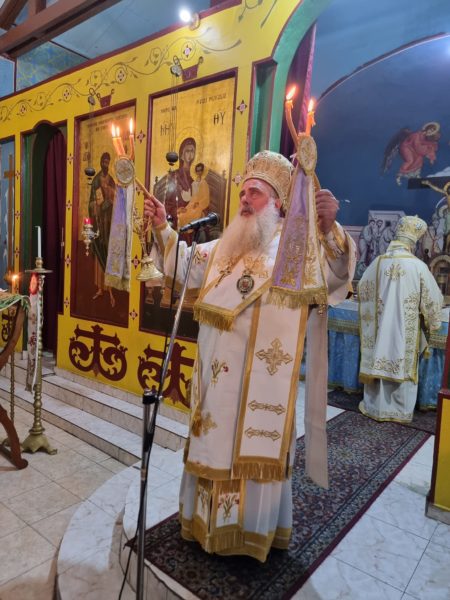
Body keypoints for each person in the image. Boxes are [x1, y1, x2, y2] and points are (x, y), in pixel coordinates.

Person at [144, 150, 355, 562]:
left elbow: (335, 278)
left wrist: (329, 228)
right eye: (243, 192)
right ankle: (203, 526)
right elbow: (184, 264)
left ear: (277, 202)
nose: (244, 199)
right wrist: (162, 227)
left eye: (254, 193)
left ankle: (251, 534)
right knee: (212, 444)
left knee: (249, 454)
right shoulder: (226, 246)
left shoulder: (294, 253)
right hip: (215, 388)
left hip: (258, 390)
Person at [358, 215, 443, 423]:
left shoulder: (378, 262)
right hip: (405, 328)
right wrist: (433, 321)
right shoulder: (418, 267)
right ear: (414, 243)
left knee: (380, 355)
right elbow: (433, 300)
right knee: (401, 360)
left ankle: (375, 406)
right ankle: (399, 411)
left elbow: (362, 289)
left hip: (379, 329)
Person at [88, 152, 116, 307]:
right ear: (100, 162)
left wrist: (111, 199)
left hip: (109, 224)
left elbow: (116, 198)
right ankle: (100, 288)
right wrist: (99, 206)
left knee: (109, 253)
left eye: (107, 161)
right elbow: (92, 203)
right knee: (100, 254)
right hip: (99, 224)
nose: (105, 164)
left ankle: (109, 287)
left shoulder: (111, 180)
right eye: (103, 161)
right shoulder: (96, 180)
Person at [153, 137, 197, 230]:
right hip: (175, 222)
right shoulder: (174, 176)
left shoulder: (194, 180)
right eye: (187, 151)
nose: (190, 154)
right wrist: (176, 210)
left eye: (192, 151)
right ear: (181, 155)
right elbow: (164, 203)